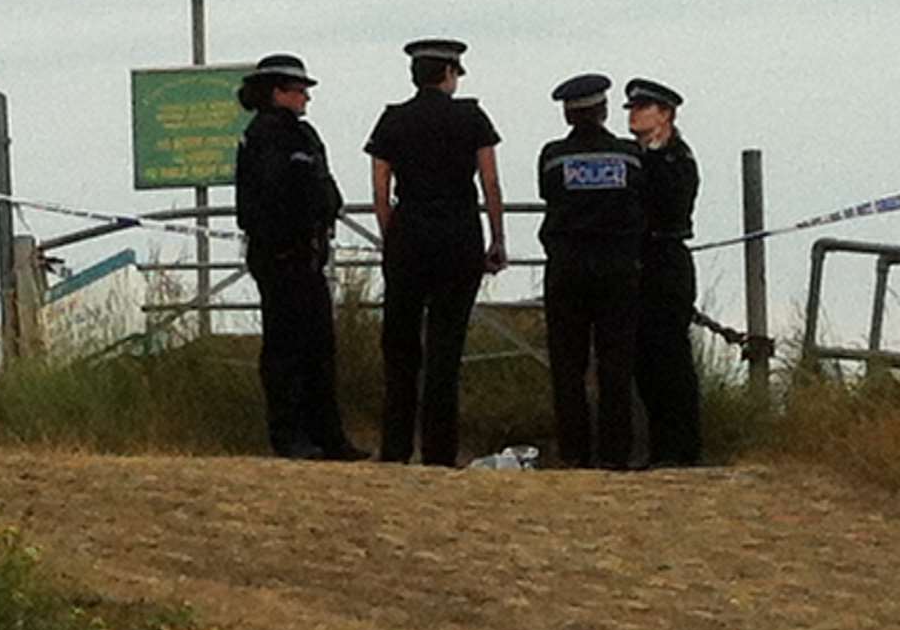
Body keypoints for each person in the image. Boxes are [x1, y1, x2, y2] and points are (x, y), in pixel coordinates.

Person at [365, 38, 507, 466]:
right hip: (458, 234)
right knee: (446, 347)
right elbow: (490, 183)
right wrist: (497, 237)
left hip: (409, 234)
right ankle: (439, 452)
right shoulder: (471, 117)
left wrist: (392, 234)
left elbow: (380, 190)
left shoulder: (392, 120)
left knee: (401, 345)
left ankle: (395, 448)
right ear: (448, 73)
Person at [235, 54, 368, 461]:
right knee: (286, 348)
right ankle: (290, 435)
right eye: (299, 90)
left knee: (318, 347)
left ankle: (327, 435)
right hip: (281, 253)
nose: (306, 97)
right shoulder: (265, 137)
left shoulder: (300, 135)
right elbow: (276, 198)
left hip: (307, 252)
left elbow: (321, 189)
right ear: (278, 93)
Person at [537, 74, 645, 469]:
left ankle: (574, 454)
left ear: (568, 114)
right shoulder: (630, 155)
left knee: (568, 365)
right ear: (602, 110)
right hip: (618, 269)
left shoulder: (552, 156)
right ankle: (616, 454)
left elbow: (549, 195)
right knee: (616, 364)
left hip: (567, 268)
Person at [625, 77, 702, 467]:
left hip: (666, 259)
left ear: (665, 115)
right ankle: (659, 448)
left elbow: (670, 205)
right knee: (644, 363)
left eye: (643, 108)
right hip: (634, 261)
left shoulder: (676, 158)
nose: (634, 114)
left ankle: (683, 449)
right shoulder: (631, 156)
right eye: (633, 108)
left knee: (671, 359)